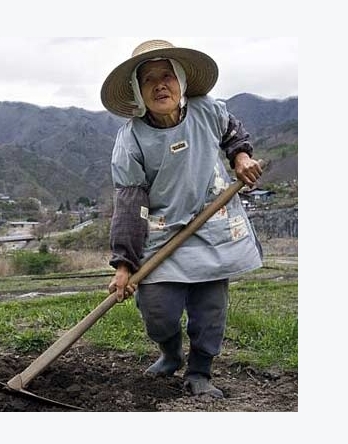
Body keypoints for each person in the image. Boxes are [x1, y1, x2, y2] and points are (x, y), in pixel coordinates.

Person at [101, 39, 263, 398]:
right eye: (149, 80)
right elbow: (130, 203)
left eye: (167, 76)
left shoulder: (207, 110)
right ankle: (170, 354)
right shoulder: (131, 140)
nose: (160, 85)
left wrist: (240, 159)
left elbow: (233, 134)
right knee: (158, 310)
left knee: (210, 310)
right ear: (138, 93)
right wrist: (124, 264)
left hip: (212, 225)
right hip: (163, 235)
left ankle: (201, 371)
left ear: (181, 82)